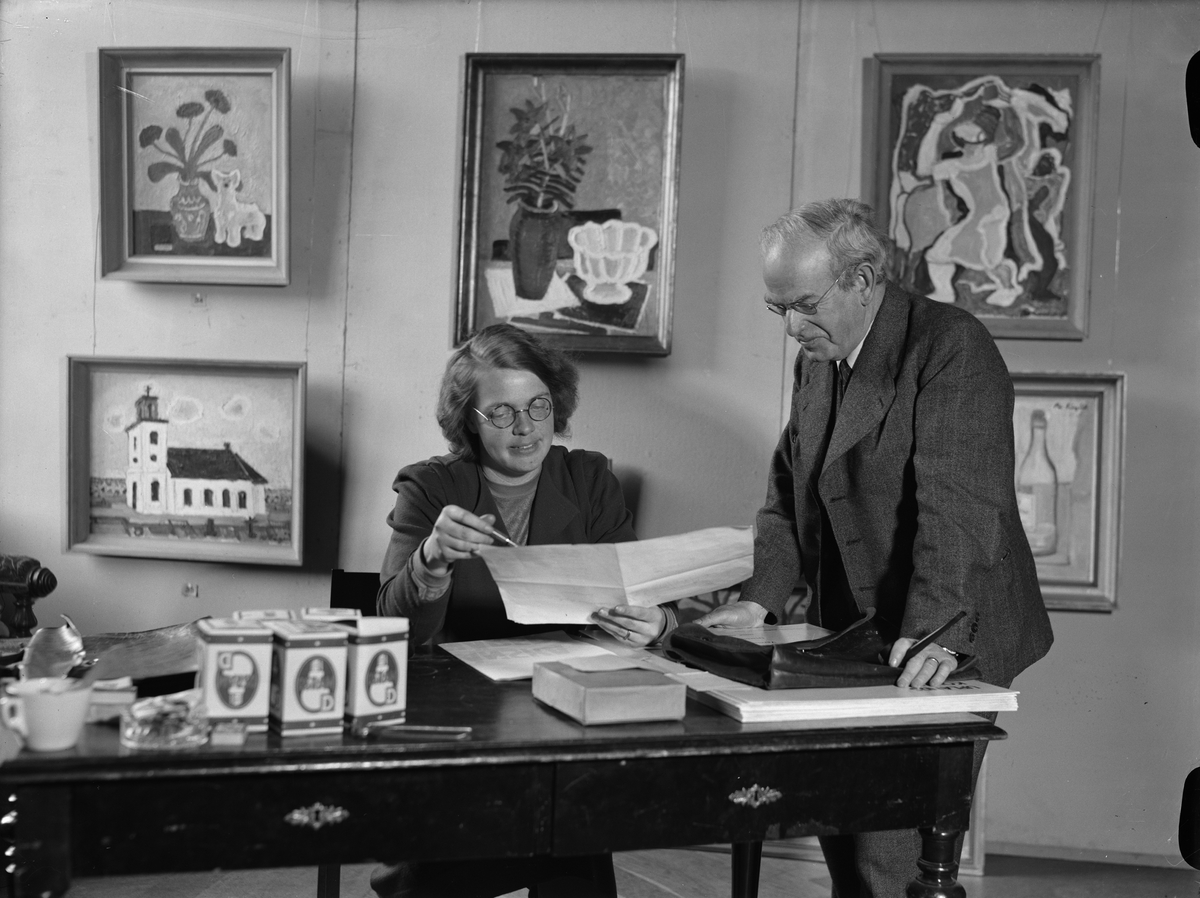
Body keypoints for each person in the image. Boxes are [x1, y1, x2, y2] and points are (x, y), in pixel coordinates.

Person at [697, 199, 1053, 897]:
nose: (792, 328)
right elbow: (788, 489)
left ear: (861, 281)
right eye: (778, 310)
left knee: (889, 861)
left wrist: (937, 634)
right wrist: (759, 599)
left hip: (947, 623)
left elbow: (960, 507)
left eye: (804, 306)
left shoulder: (951, 346)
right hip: (856, 629)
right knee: (844, 833)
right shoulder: (820, 355)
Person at [374, 322, 671, 898]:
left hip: (561, 711)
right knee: (452, 871)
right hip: (460, 724)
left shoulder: (588, 479)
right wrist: (431, 561)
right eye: (501, 412)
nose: (526, 426)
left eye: (538, 405)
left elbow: (640, 591)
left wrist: (656, 621)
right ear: (469, 420)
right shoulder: (431, 487)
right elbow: (391, 627)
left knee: (576, 845)